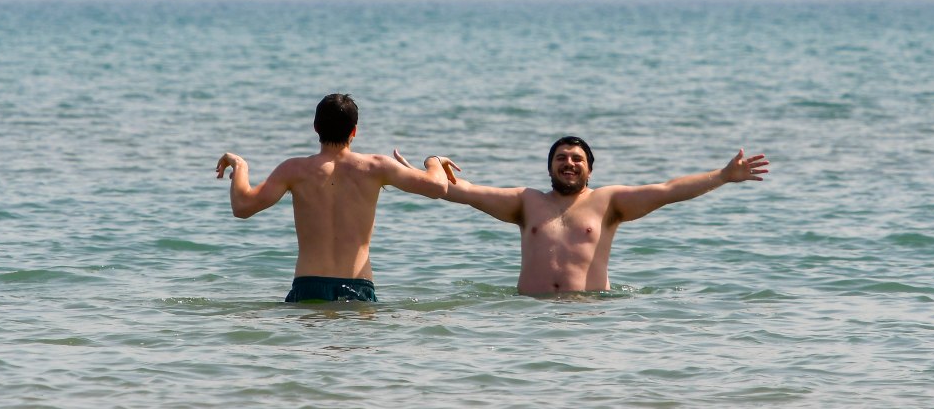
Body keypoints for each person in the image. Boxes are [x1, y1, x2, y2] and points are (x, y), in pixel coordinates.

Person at [396, 137, 768, 296]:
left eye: (577, 160)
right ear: (550, 168)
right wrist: (422, 173)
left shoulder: (610, 203)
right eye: (561, 159)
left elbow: (669, 190)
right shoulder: (525, 202)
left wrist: (722, 176)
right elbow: (463, 191)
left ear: (590, 169)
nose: (569, 164)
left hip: (591, 317)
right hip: (531, 316)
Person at [215, 93, 450, 303]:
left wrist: (240, 165)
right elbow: (438, 187)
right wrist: (434, 161)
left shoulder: (293, 170)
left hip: (308, 286)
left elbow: (243, 206)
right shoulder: (376, 167)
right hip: (357, 287)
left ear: (315, 127)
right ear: (354, 131)